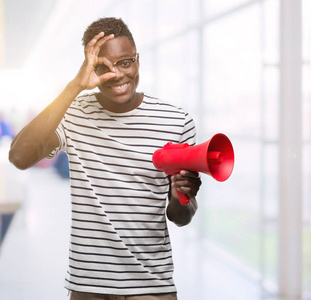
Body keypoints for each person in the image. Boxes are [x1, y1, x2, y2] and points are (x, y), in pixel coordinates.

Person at [8, 17, 201, 300]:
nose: (117, 75)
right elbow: (20, 157)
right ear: (90, 69)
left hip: (151, 288)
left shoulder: (177, 121)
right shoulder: (73, 113)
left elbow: (180, 217)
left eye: (125, 62)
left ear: (138, 60)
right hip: (87, 288)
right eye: (102, 68)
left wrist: (181, 196)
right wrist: (75, 85)